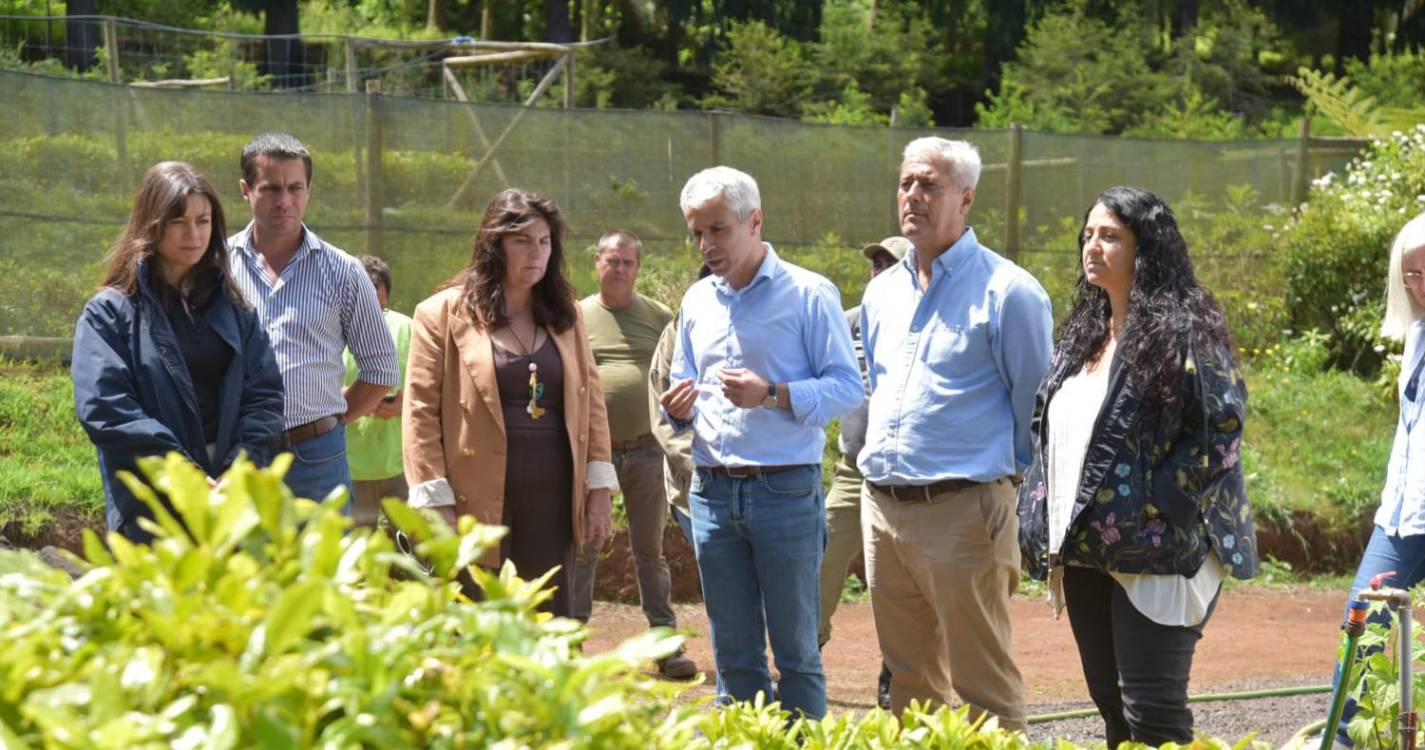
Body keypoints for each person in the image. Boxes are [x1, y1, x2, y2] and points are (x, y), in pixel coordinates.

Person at [1017, 186, 1258, 747]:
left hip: (1158, 553)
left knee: (1151, 711)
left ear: (1144, 247)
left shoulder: (1183, 332)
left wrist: (1158, 505)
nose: (1092, 247)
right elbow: (1047, 427)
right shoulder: (1083, 334)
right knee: (1111, 708)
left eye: (1110, 236)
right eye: (1088, 235)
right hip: (1084, 550)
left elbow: (1219, 429)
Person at [858, 137, 1052, 732]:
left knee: (982, 684)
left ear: (965, 199)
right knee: (910, 682)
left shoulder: (1009, 291)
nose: (913, 196)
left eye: (930, 185)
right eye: (906, 183)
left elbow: (1036, 409)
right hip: (883, 510)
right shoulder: (880, 291)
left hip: (963, 510)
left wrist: (1001, 494)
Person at [660, 166, 862, 720]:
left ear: (756, 221)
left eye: (718, 230)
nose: (706, 245)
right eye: (697, 233)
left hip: (785, 491)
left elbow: (849, 387)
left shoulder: (809, 293)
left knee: (796, 652)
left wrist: (771, 393)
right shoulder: (697, 300)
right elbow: (683, 389)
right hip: (712, 491)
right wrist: (675, 412)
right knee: (733, 653)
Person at [402, 188, 617, 618]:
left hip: (555, 499)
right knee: (477, 624)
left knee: (549, 623)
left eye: (544, 241)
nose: (535, 252)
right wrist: (434, 500)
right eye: (521, 241)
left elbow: (591, 404)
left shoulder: (566, 315)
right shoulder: (441, 314)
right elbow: (420, 414)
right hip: (473, 502)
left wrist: (599, 491)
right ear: (493, 245)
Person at [72, 161, 284, 543]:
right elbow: (107, 409)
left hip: (230, 501)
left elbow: (265, 396)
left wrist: (240, 470)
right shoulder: (110, 313)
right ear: (152, 224)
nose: (194, 234)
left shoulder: (235, 309)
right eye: (179, 221)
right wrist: (181, 473)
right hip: (152, 509)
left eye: (203, 221)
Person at [227, 132, 399, 506]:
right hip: (235, 455)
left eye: (295, 188)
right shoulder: (219, 267)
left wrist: (332, 420)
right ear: (246, 189)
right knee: (241, 563)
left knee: (323, 564)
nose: (284, 201)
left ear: (309, 191)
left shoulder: (343, 271)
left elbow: (382, 369)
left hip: (317, 457)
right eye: (271, 188)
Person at [570, 229, 698, 679]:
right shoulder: (574, 316)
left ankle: (665, 644)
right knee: (585, 546)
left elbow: (679, 371)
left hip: (647, 451)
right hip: (591, 458)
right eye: (612, 260)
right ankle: (570, 646)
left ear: (637, 269)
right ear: (596, 263)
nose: (619, 268)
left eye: (628, 262)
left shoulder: (659, 316)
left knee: (650, 552)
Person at [1329, 211, 1425, 746]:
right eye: (1410, 275)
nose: (1420, 286)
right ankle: (1343, 741)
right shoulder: (1417, 337)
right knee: (1362, 623)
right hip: (1402, 516)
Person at [818, 236, 908, 710]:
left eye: (889, 263)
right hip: (854, 469)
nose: (878, 270)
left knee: (898, 580)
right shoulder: (848, 321)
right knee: (822, 555)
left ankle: (897, 669)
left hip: (907, 475)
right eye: (874, 262)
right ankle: (805, 656)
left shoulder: (921, 319)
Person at [342, 255, 413, 527]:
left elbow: (430, 392)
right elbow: (306, 389)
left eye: (380, 309)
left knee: (410, 554)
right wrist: (355, 398)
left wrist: (401, 407)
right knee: (357, 559)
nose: (374, 318)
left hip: (399, 465)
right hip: (350, 468)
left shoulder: (406, 327)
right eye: (366, 309)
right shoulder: (329, 329)